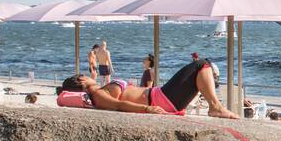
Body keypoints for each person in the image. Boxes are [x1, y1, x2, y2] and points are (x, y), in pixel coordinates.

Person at [59, 56, 236, 118]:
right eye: (83, 75)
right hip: (162, 99)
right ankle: (215, 107)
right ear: (81, 82)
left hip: (162, 95)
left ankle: (215, 106)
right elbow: (119, 106)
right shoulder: (98, 94)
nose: (87, 75)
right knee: (201, 65)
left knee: (202, 67)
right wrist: (148, 109)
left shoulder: (101, 90)